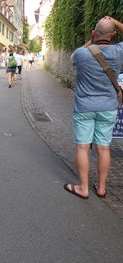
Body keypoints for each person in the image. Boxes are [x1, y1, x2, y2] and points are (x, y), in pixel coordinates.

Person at [64, 17, 123, 199]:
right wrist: (113, 22)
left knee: (83, 148)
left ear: (93, 34)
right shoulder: (119, 51)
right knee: (103, 148)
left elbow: (75, 56)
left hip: (84, 107)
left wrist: (93, 39)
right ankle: (102, 188)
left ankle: (83, 188)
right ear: (113, 36)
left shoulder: (81, 54)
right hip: (108, 107)